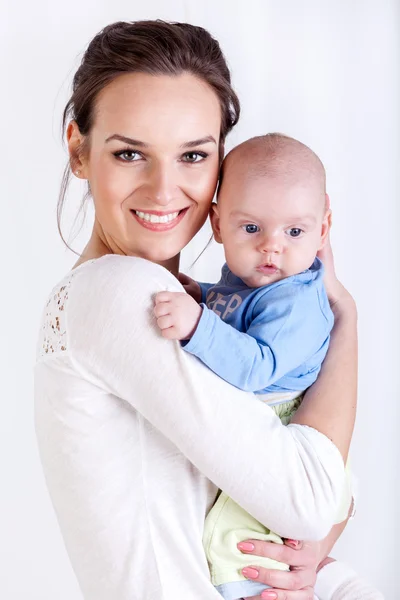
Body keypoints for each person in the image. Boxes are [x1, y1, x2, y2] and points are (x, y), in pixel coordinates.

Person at [34, 19, 375, 600]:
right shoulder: (121, 295)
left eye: (193, 155)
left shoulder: (199, 307)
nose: (165, 191)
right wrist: (344, 316)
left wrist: (306, 549)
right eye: (130, 153)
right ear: (79, 149)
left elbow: (307, 490)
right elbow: (314, 495)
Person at [154, 132, 355, 600]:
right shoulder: (250, 278)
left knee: (239, 545)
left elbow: (257, 366)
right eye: (251, 229)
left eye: (294, 232)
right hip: (259, 418)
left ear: (323, 229)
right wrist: (200, 294)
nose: (272, 248)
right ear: (218, 224)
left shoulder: (298, 300)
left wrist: (197, 324)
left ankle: (250, 591)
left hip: (285, 423)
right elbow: (234, 308)